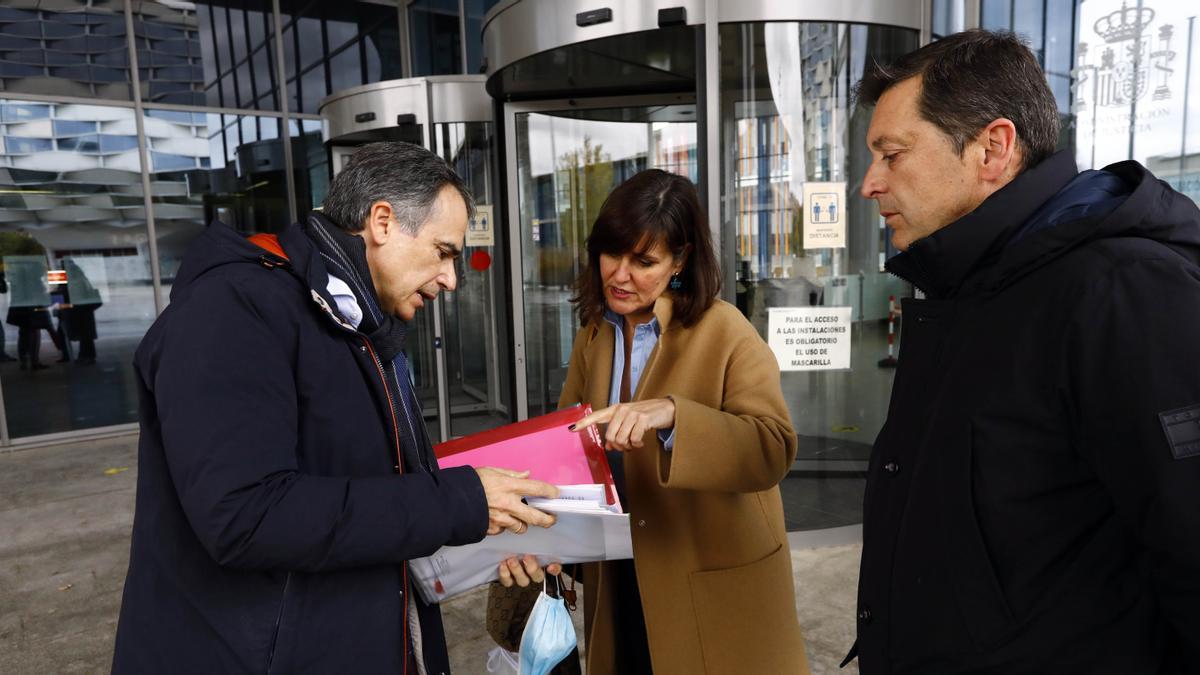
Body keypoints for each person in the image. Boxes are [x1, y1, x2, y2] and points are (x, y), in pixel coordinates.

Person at [113, 141, 560, 674]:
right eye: (444, 252)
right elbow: (245, 516)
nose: (450, 280)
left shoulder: (350, 320)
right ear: (383, 221)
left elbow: (364, 485)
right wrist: (458, 504)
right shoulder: (232, 309)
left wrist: (484, 529)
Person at [847, 29, 1200, 674]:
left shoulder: (1123, 294)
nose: (870, 184)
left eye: (892, 154)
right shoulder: (968, 287)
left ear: (993, 148)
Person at [528, 169, 809, 674]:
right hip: (619, 570)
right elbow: (568, 449)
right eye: (611, 253)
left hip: (705, 568)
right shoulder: (595, 333)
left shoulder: (726, 330)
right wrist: (551, 538)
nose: (619, 274)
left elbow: (773, 447)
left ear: (680, 260)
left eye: (644, 261)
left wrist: (675, 414)